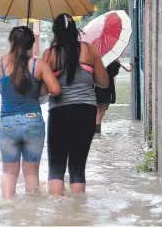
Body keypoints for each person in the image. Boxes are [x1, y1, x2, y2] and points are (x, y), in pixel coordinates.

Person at [43, 13, 109, 196]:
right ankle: (78, 213)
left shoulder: (49, 55)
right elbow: (104, 82)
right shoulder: (89, 50)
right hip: (86, 112)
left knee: (56, 168)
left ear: (55, 32)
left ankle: (58, 215)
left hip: (59, 112)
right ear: (76, 31)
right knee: (77, 167)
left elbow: (44, 89)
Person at [0, 26, 61, 199]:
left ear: (10, 42)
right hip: (33, 121)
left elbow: (3, 92)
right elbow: (55, 90)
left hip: (7, 122)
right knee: (31, 173)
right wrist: (39, 87)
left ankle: (9, 210)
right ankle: (31, 215)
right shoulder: (38, 65)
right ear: (31, 45)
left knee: (9, 172)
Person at [95, 60, 121, 133]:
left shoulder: (98, 72)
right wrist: (113, 99)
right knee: (100, 114)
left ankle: (97, 131)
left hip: (96, 96)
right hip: (105, 98)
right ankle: (97, 131)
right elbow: (112, 89)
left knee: (98, 114)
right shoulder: (109, 76)